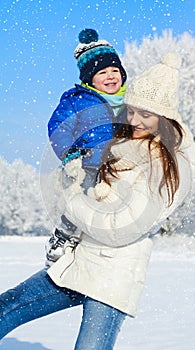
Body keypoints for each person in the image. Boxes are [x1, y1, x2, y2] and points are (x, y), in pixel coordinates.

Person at [0, 52, 195, 350]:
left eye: (146, 114)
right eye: (132, 111)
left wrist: (73, 196)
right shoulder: (121, 145)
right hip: (80, 262)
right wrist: (73, 174)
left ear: (164, 118)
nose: (135, 120)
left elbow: (120, 227)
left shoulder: (164, 165)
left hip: (111, 278)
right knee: (5, 308)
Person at [45, 28, 127, 264]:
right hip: (86, 164)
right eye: (102, 72)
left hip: (116, 166)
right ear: (90, 78)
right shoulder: (77, 99)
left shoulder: (128, 102)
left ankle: (107, 245)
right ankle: (63, 236)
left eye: (115, 70)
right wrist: (70, 154)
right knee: (81, 201)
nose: (111, 76)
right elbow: (59, 128)